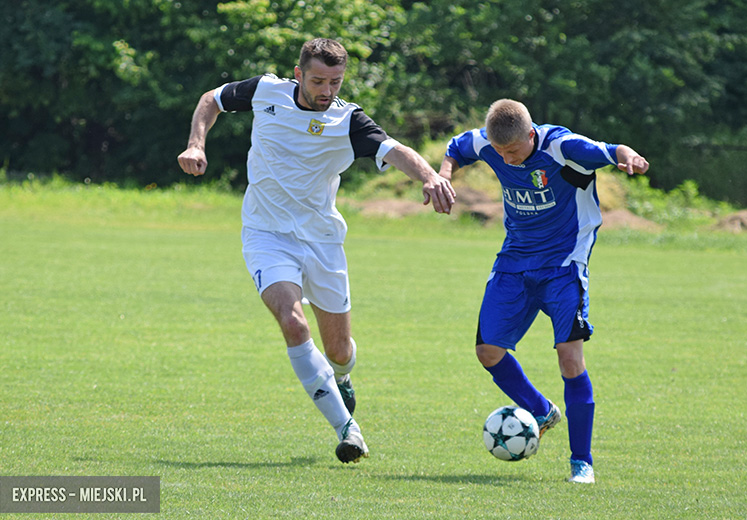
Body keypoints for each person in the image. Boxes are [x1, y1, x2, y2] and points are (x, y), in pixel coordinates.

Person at [177, 38, 456, 464]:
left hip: (322, 241)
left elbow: (393, 149)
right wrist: (197, 143)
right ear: (298, 74)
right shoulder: (266, 91)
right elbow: (209, 100)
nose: (327, 90)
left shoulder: (348, 120)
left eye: (335, 81)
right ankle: (348, 429)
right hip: (265, 234)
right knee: (292, 323)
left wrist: (430, 176)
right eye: (319, 80)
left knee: (339, 351)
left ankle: (341, 377)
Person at [438, 99, 649, 483]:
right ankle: (541, 410)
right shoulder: (489, 143)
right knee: (487, 351)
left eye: (514, 151)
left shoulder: (562, 147)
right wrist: (442, 176)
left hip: (564, 264)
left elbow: (608, 150)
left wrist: (629, 156)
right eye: (500, 152)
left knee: (570, 359)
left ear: (531, 135)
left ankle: (581, 462)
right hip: (514, 261)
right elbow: (455, 148)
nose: (507, 159)